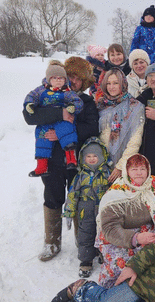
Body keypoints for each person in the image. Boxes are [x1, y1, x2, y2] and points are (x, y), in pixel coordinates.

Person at [23, 56, 99, 261]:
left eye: (77, 78)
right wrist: (60, 114)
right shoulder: (46, 96)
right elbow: (30, 116)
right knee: (53, 197)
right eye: (70, 76)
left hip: (78, 159)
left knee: (79, 199)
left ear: (83, 82)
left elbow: (93, 127)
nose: (73, 81)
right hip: (52, 160)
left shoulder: (86, 101)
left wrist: (64, 132)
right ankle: (52, 243)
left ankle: (81, 240)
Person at [94, 153, 155, 289]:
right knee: (121, 268)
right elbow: (110, 228)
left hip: (147, 234)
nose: (139, 173)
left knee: (153, 269)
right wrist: (135, 238)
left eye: (142, 169)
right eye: (134, 169)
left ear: (148, 170)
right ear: (127, 171)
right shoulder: (117, 192)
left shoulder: (154, 184)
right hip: (120, 237)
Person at [24, 60, 84, 177]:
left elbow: (78, 101)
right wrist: (29, 104)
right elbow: (31, 96)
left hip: (62, 121)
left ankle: (71, 159)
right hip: (45, 121)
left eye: (61, 78)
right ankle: (41, 166)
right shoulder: (41, 90)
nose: (58, 80)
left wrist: (72, 107)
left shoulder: (67, 92)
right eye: (55, 78)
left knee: (67, 130)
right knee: (41, 136)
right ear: (48, 79)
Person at [63, 137, 112, 278]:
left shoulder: (107, 174)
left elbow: (114, 190)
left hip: (103, 210)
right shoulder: (80, 176)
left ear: (102, 157)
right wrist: (69, 211)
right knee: (85, 235)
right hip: (85, 211)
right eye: (88, 156)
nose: (91, 159)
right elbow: (72, 194)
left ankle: (104, 254)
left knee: (104, 233)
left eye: (95, 156)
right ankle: (86, 261)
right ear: (83, 158)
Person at [96, 68, 145, 183]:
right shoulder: (100, 105)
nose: (111, 87)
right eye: (108, 83)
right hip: (102, 165)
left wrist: (121, 165)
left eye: (115, 83)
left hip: (125, 166)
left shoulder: (135, 106)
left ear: (123, 84)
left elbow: (135, 140)